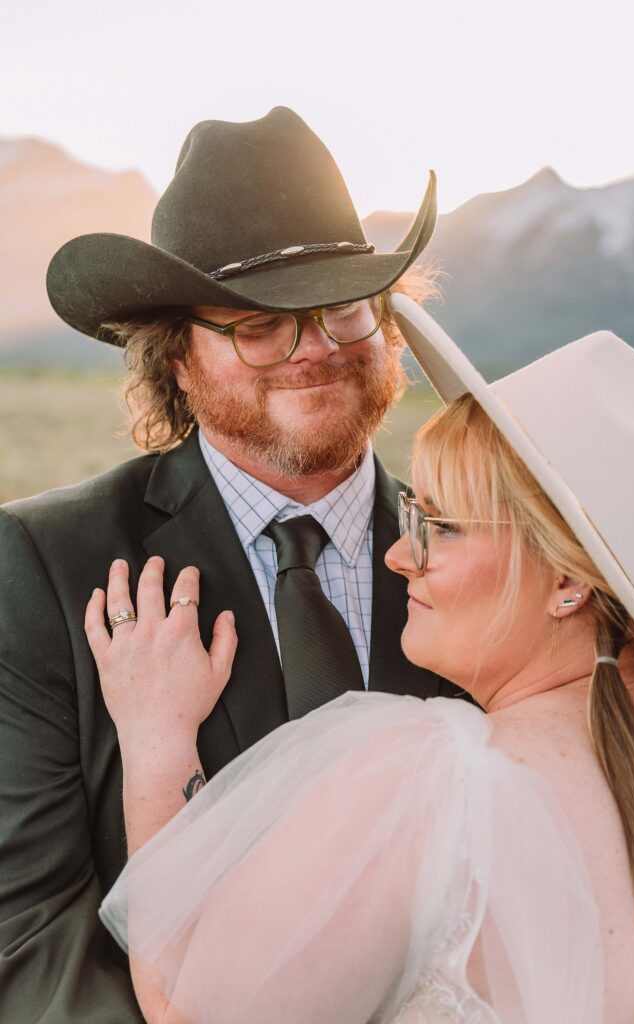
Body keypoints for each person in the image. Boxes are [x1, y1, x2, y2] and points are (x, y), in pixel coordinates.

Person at [88, 302, 634, 1023]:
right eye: (411, 516)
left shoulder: (437, 775)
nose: (399, 556)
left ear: (568, 582)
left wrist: (157, 739)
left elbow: (189, 1007)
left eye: (443, 528)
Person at [0, 110, 452, 1023]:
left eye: (342, 307)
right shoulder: (43, 565)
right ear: (176, 353)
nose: (314, 348)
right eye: (256, 326)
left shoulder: (481, 563)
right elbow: (28, 930)